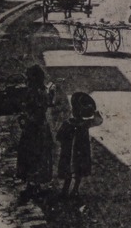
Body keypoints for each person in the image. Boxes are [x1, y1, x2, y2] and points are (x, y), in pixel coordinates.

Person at [16, 64, 55, 201]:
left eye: (28, 78)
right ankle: (35, 185)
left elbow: (36, 113)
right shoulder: (41, 92)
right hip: (40, 128)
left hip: (34, 129)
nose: (26, 81)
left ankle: (32, 186)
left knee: (32, 156)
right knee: (38, 157)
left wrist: (25, 118)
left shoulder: (34, 93)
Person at [56, 91, 98, 197]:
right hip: (81, 151)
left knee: (68, 172)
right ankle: (75, 189)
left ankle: (65, 190)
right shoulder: (85, 124)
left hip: (68, 152)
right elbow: (98, 120)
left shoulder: (67, 124)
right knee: (79, 170)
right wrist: (94, 112)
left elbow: (59, 137)